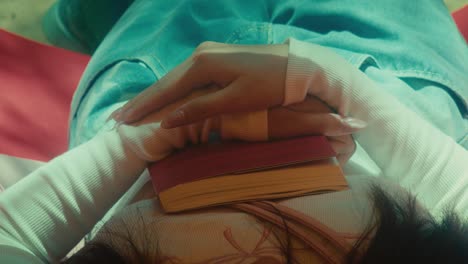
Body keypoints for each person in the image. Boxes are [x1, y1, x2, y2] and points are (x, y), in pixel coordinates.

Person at [1, 0, 467, 263]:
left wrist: (154, 133)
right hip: (383, 102)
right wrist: (331, 79)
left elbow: (12, 233)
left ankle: (82, 18)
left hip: (149, 109)